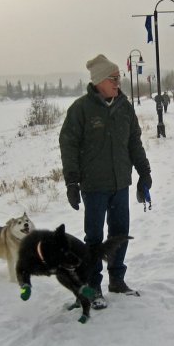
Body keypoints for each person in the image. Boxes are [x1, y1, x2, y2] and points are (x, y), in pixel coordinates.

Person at [59, 54, 152, 309]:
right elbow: (68, 145)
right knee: (95, 238)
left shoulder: (124, 106)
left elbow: (134, 142)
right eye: (113, 78)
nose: (117, 83)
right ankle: (93, 286)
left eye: (118, 78)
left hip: (121, 183)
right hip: (94, 187)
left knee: (120, 234)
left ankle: (117, 280)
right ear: (99, 81)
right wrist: (72, 182)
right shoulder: (81, 109)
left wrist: (144, 173)